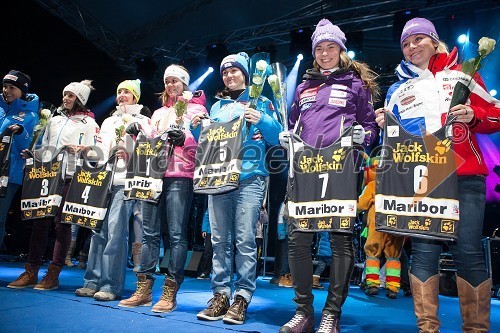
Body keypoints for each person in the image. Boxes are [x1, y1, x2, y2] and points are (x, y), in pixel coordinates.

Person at [374, 17, 499, 332]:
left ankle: (476, 328)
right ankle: (427, 328)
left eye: (417, 39)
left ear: (433, 40)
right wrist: (385, 126)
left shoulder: (463, 75)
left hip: (464, 176)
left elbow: (495, 114)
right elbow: (394, 143)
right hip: (422, 182)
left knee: (468, 251)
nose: (412, 47)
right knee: (424, 254)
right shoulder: (400, 90)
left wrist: (474, 115)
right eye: (406, 43)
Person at [279, 18, 379, 333]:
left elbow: (372, 127)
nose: (324, 53)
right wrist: (287, 137)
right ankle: (304, 312)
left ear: (340, 49)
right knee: (298, 238)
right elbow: (293, 123)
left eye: (330, 47)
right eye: (319, 48)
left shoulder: (356, 84)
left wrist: (367, 135)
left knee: (339, 239)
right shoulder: (303, 86)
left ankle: (331, 314)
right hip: (305, 169)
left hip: (341, 167)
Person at [193, 52, 282, 325]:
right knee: (219, 240)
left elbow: (278, 136)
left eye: (234, 71)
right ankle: (220, 294)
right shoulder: (218, 107)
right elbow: (208, 143)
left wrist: (263, 120)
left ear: (246, 73)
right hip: (218, 178)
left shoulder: (262, 101)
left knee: (244, 240)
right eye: (225, 72)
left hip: (250, 178)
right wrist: (197, 129)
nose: (229, 76)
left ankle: (242, 296)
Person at [118, 65, 208, 312]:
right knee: (149, 234)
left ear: (185, 84)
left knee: (177, 235)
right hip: (152, 176)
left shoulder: (197, 109)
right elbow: (152, 138)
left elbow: (205, 141)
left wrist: (186, 139)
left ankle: (170, 290)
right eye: (167, 81)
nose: (170, 85)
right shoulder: (157, 112)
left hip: (180, 175)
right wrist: (138, 132)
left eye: (175, 81)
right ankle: (144, 288)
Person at [8, 80, 99, 290]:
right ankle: (31, 271)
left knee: (62, 225)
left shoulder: (90, 124)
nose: (66, 98)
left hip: (69, 175)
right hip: (47, 175)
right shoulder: (54, 120)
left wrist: (85, 149)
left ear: (81, 99)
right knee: (39, 223)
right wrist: (33, 154)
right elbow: (45, 146)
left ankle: (53, 273)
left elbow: (96, 153)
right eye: (65, 94)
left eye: (71, 96)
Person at [75, 79, 151, 301]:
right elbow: (100, 148)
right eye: (119, 92)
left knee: (116, 233)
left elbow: (149, 150)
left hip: (125, 181)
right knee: (97, 232)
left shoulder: (144, 120)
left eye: (127, 92)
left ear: (135, 97)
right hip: (103, 181)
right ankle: (91, 281)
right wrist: (89, 152)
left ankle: (111, 285)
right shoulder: (108, 121)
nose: (122, 95)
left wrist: (133, 147)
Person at [0, 70, 39, 248]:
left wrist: (22, 133)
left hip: (9, 173)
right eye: (5, 86)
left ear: (22, 90)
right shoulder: (0, 108)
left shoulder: (31, 115)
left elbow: (31, 147)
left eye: (12, 88)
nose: (7, 90)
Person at [358, 157, 405, 299]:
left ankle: (372, 284)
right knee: (394, 257)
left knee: (373, 253)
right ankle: (393, 288)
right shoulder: (400, 186)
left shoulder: (373, 185)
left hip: (377, 225)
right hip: (396, 225)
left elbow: (361, 204)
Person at [197, 208, 212, 280]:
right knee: (207, 252)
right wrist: (204, 229)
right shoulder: (211, 205)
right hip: (210, 231)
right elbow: (206, 216)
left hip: (221, 232)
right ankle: (206, 272)